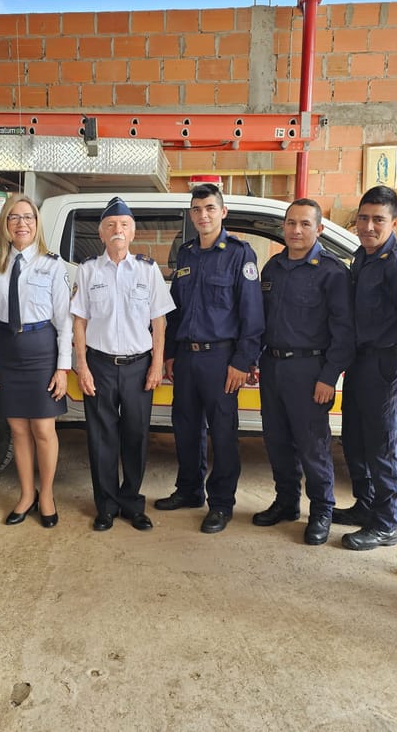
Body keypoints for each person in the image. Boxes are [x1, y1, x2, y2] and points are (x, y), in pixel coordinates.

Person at [155, 183, 264, 534]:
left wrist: (242, 361)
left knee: (222, 432)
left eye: (210, 209)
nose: (204, 215)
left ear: (222, 213)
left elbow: (252, 315)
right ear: (191, 215)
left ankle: (221, 503)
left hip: (221, 360)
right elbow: (175, 311)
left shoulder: (239, 255)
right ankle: (189, 491)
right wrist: (170, 353)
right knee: (185, 428)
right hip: (187, 358)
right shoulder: (186, 255)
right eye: (198, 209)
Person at [70, 197, 175, 531]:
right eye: (111, 225)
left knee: (135, 436)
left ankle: (131, 502)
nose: (118, 230)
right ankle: (106, 506)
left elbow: (159, 323)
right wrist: (81, 366)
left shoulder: (147, 270)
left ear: (133, 233)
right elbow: (79, 323)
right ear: (101, 234)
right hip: (98, 365)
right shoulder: (87, 271)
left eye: (124, 225)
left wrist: (157, 365)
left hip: (138, 367)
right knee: (101, 439)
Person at [254, 199, 354, 545]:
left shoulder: (332, 271)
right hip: (272, 366)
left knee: (313, 445)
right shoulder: (273, 267)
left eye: (305, 224)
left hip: (310, 370)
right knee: (276, 439)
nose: (296, 230)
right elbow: (260, 321)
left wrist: (329, 376)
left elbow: (344, 331)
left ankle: (322, 510)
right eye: (291, 223)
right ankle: (286, 502)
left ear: (319, 229)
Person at [335, 185, 397, 550]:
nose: (368, 226)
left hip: (390, 364)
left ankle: (387, 524)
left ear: (396, 222)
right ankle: (366, 505)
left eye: (378, 220)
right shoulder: (362, 257)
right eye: (363, 218)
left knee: (386, 446)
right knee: (356, 439)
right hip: (361, 361)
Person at [0, 194, 71, 528]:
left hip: (41, 349)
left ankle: (46, 495)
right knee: (18, 429)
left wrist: (63, 369)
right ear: (5, 224)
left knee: (44, 428)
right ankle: (26, 494)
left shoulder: (52, 263)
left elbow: (64, 321)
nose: (22, 224)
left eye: (28, 217)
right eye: (14, 217)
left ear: (37, 224)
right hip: (7, 350)